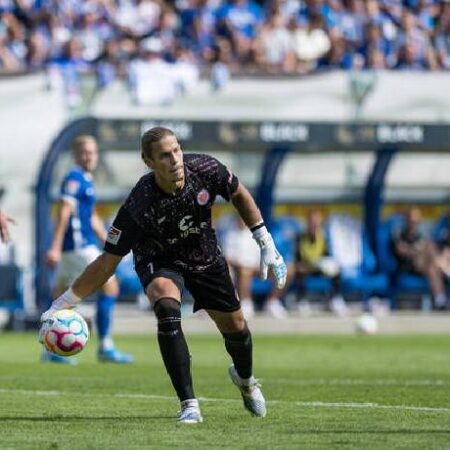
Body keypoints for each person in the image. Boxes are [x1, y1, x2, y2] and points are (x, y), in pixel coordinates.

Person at [39, 126, 287, 423]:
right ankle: (189, 404)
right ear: (149, 162)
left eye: (177, 150)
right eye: (165, 156)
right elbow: (107, 263)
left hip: (205, 256)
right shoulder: (138, 205)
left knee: (237, 329)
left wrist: (265, 241)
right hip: (159, 258)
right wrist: (62, 303)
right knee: (166, 304)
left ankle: (246, 381)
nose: (175, 160)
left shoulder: (205, 168)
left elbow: (239, 193)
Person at [43, 135, 133, 364]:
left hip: (71, 250)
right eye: (84, 152)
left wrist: (110, 242)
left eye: (92, 152)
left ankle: (50, 350)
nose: (89, 156)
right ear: (75, 155)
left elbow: (91, 217)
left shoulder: (85, 179)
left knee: (60, 298)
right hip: (79, 246)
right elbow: (64, 211)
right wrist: (53, 247)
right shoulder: (74, 178)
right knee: (110, 287)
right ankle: (105, 346)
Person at [391, 207, 447, 310]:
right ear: (407, 220)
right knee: (431, 256)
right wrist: (417, 251)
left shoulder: (421, 235)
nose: (414, 223)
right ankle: (445, 270)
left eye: (416, 221)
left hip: (425, 264)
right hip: (408, 266)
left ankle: (440, 300)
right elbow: (401, 250)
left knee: (432, 266)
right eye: (412, 220)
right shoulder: (399, 234)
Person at [295, 209, 347, 316]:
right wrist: (303, 263)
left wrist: (325, 264)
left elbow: (326, 254)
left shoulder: (323, 236)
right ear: (308, 222)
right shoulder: (300, 237)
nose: (315, 224)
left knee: (336, 271)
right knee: (300, 271)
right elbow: (297, 256)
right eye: (312, 221)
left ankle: (334, 299)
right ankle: (301, 300)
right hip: (306, 267)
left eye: (317, 221)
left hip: (318, 267)